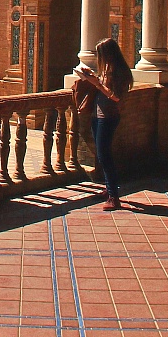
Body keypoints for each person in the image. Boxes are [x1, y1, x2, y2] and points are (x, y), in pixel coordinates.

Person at [74, 38, 133, 211]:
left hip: (108, 116)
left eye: (101, 54)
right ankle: (108, 189)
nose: (100, 58)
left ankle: (114, 197)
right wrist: (92, 76)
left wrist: (96, 83)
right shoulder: (107, 68)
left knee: (105, 156)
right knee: (101, 155)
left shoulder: (119, 71)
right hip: (98, 115)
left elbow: (116, 96)